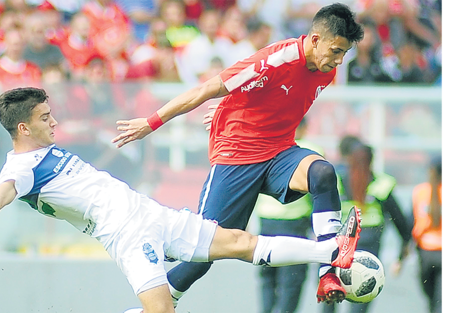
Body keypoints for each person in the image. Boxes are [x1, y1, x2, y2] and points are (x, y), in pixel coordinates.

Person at [0, 87, 361, 313]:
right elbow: (6, 190)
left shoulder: (42, 150)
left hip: (151, 212)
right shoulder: (21, 168)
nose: (55, 122)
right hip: (127, 234)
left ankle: (332, 251)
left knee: (238, 240)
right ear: (23, 129)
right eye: (46, 118)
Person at [112, 3, 364, 306]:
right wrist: (151, 122)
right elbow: (205, 89)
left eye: (344, 54)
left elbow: (268, 99)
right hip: (236, 156)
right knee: (201, 255)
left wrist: (232, 105)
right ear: (314, 39)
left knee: (323, 173)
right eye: (335, 50)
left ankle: (329, 271)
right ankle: (154, 305)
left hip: (278, 152)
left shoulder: (325, 71)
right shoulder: (275, 58)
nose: (338, 60)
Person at [323, 140, 412, 313]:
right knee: (361, 294)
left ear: (349, 159)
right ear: (372, 161)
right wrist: (403, 248)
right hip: (369, 245)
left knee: (330, 298)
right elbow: (399, 219)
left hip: (339, 244)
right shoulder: (381, 184)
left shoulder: (337, 182)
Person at [255, 118, 321, 313]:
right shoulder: (311, 150)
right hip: (295, 224)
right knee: (291, 281)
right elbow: (318, 191)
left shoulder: (266, 147)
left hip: (265, 221)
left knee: (268, 278)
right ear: (305, 128)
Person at [411, 155, 444, 313]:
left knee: (431, 298)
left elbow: (413, 222)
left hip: (426, 252)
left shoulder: (421, 191)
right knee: (441, 301)